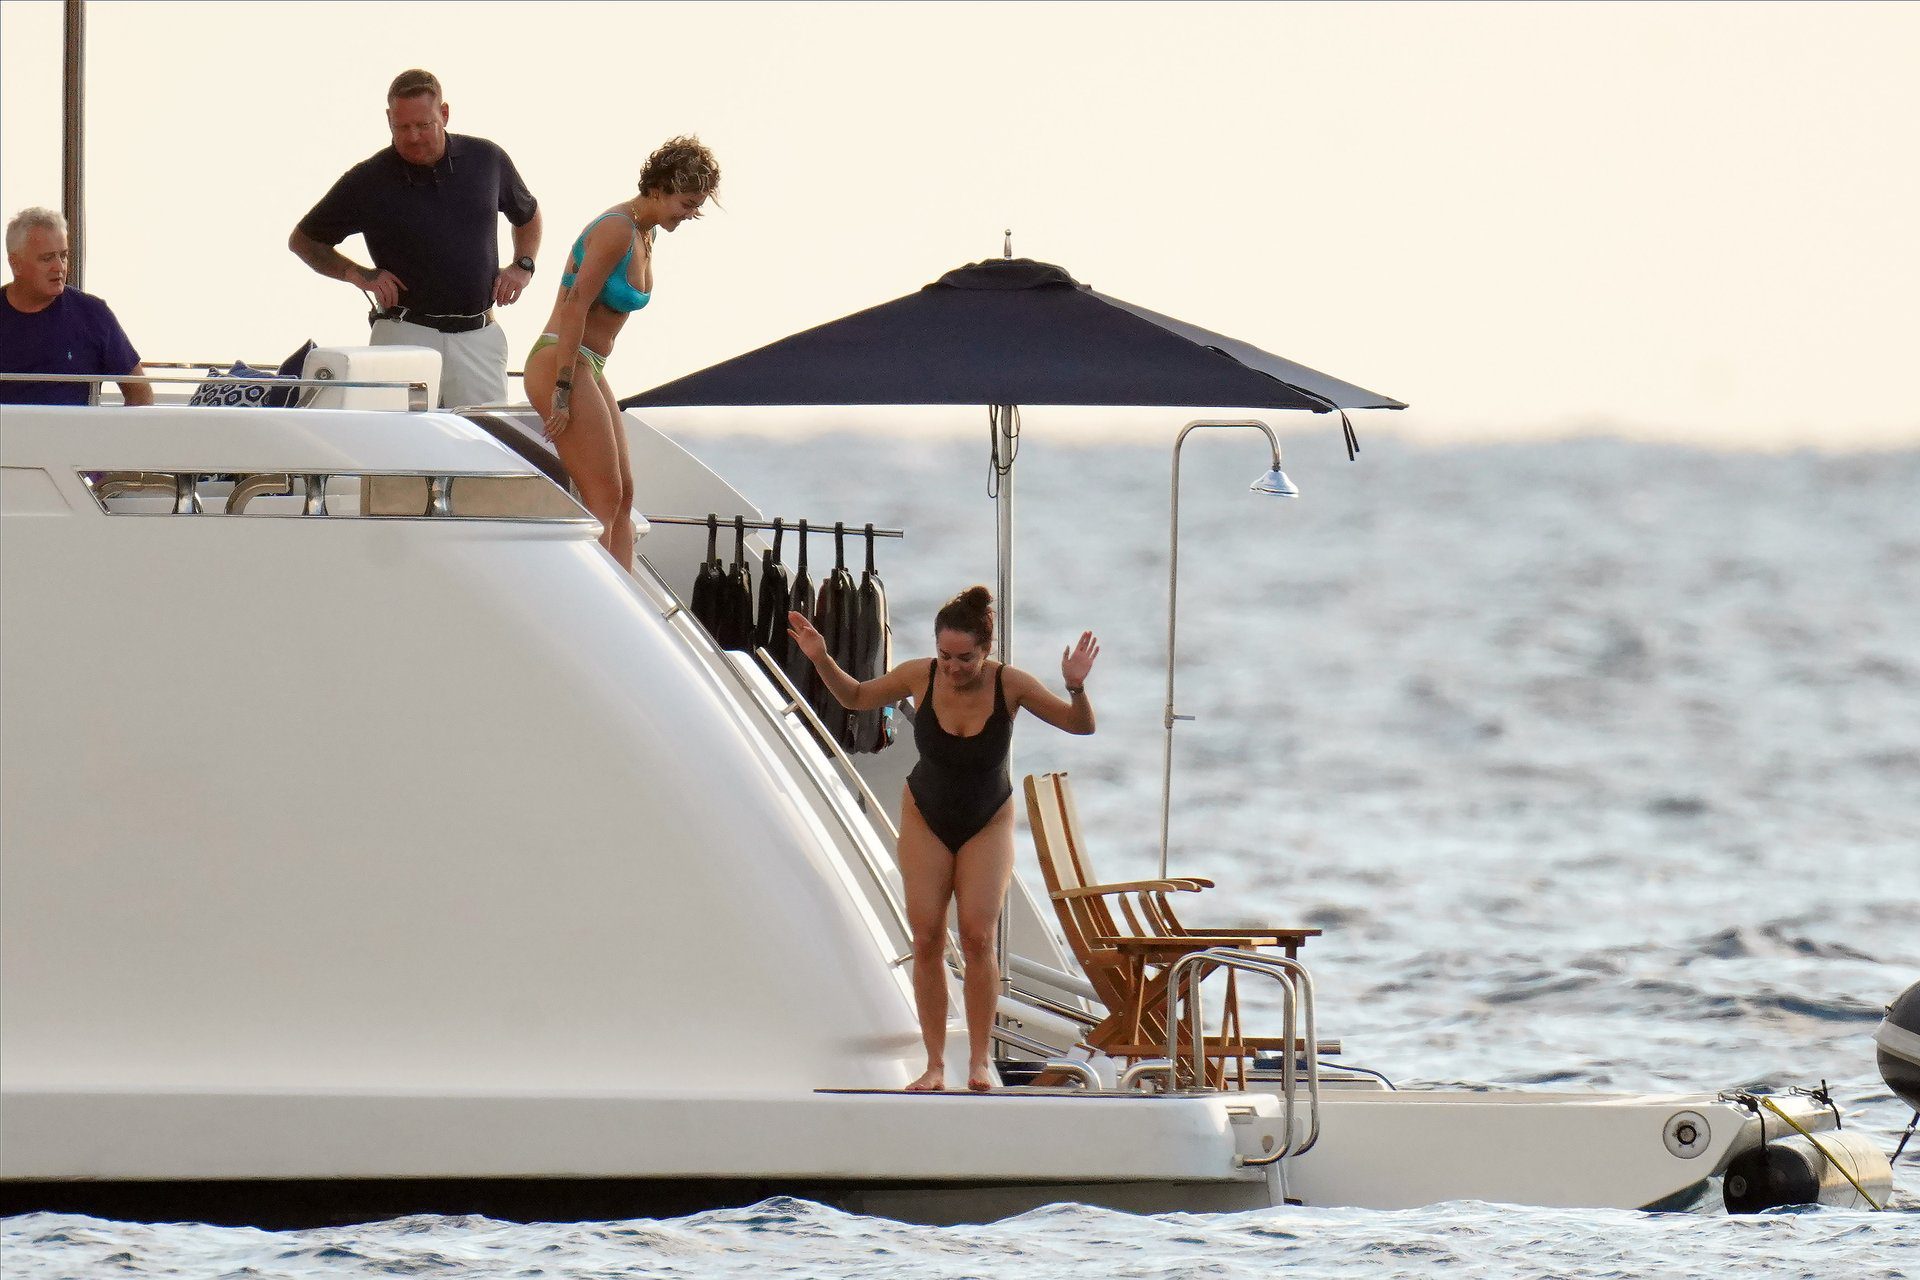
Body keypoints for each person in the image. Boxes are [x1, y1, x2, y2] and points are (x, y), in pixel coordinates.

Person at [790, 586, 1100, 1092]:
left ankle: (978, 1062)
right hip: (925, 814)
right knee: (927, 936)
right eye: (946, 656)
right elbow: (856, 697)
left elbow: (1079, 726)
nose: (954, 667)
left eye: (966, 658)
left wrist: (1075, 687)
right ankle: (934, 1065)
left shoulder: (1011, 684)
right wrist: (820, 657)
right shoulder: (920, 675)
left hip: (987, 819)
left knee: (977, 936)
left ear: (986, 650)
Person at [289, 68, 541, 409]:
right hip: (403, 334)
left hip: (479, 338)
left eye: (424, 125)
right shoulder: (367, 179)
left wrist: (523, 265)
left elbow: (527, 215)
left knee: (480, 437)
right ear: (388, 120)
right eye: (402, 127)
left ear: (444, 114)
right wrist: (357, 274)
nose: (414, 137)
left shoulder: (487, 159)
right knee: (395, 438)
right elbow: (304, 240)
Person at [523, 137, 719, 572]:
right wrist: (562, 389)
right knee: (604, 497)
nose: (690, 215)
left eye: (696, 207)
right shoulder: (617, 230)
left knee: (624, 496)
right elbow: (575, 305)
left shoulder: (647, 233)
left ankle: (625, 596)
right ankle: (592, 597)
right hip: (561, 359)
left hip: (590, 364)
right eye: (686, 204)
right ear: (659, 189)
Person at [0, 207, 150, 406]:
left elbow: (140, 394)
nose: (59, 267)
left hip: (76, 426)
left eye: (63, 256)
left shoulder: (93, 314)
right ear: (15, 263)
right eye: (47, 258)